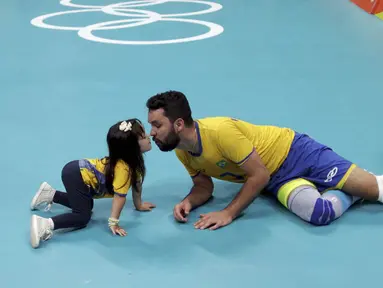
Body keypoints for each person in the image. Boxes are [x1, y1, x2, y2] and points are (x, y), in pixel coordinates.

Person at [146, 90, 383, 230]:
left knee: (375, 189)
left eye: (157, 125)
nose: (152, 133)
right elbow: (204, 186)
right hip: (271, 180)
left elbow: (257, 175)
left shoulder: (219, 132)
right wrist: (189, 202)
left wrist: (228, 212)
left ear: (178, 124)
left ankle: (358, 180)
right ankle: (349, 188)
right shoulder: (181, 149)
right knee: (319, 213)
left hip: (295, 153)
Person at [30, 119, 156, 248]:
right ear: (131, 148)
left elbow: (137, 184)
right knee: (82, 217)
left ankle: (50, 194)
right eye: (142, 137)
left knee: (87, 205)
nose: (149, 136)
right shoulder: (124, 169)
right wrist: (113, 223)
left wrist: (139, 205)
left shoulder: (134, 163)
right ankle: (45, 224)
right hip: (76, 175)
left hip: (77, 171)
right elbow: (120, 197)